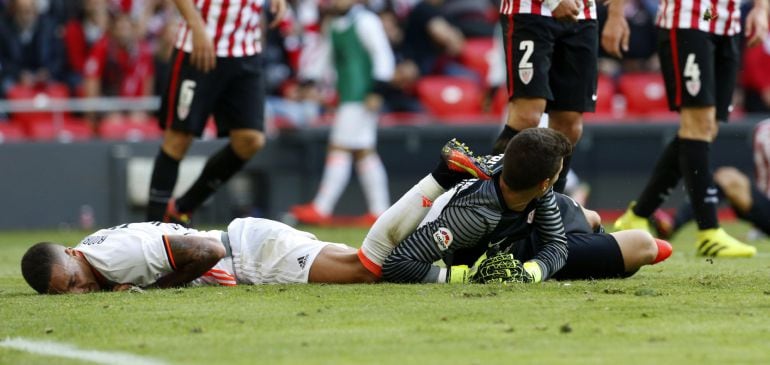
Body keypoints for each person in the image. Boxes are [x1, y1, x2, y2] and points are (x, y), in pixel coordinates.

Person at [20, 139, 496, 293]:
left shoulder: (113, 258)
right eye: (71, 291)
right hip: (252, 242)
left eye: (75, 280)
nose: (81, 291)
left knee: (369, 268)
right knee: (370, 262)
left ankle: (443, 175)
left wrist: (153, 291)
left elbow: (203, 251)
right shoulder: (94, 248)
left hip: (249, 255)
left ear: (71, 253)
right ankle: (466, 263)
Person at [382, 128, 669, 283]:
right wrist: (464, 277)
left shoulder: (527, 180)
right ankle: (598, 243)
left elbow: (556, 245)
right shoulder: (472, 215)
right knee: (645, 246)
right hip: (511, 248)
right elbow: (397, 264)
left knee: (591, 218)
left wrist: (531, 273)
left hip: (526, 230)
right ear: (546, 182)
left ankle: (592, 234)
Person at [613, 0, 769, 257]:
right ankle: (708, 232)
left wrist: (761, 9)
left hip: (729, 25)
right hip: (688, 19)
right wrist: (616, 14)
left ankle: (637, 214)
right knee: (698, 123)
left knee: (707, 127)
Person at [145, 0, 287, 225]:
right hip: (199, 47)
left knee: (251, 140)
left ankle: (182, 208)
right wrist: (197, 27)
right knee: (178, 139)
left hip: (245, 49)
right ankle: (149, 229)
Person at [491, 0, 630, 193]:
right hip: (529, 12)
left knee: (569, 125)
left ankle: (549, 211)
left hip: (582, 16)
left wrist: (616, 14)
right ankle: (484, 197)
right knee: (527, 116)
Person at [289, 0, 396, 225]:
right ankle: (379, 210)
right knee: (363, 152)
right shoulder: (334, 24)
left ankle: (322, 207)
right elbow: (324, 57)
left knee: (339, 147)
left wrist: (378, 89)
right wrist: (308, 80)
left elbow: (383, 56)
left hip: (361, 95)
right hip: (347, 95)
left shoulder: (367, 21)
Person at [0, 0, 65, 95]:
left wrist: (48, 72)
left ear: (35, 11)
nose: (26, 15)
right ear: (14, 11)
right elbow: (3, 61)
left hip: (45, 75)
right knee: (5, 87)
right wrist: (19, 75)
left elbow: (59, 57)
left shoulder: (49, 28)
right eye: (22, 11)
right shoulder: (4, 30)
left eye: (29, 10)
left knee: (60, 89)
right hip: (15, 76)